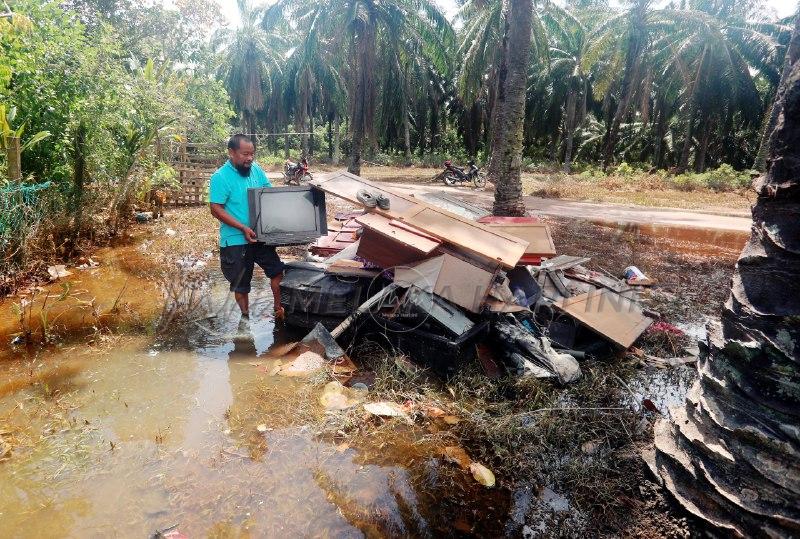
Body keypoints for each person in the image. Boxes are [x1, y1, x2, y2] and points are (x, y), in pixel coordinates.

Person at [209, 134, 285, 321]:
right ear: (231, 153)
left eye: (252, 154)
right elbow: (215, 209)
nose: (249, 158)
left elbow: (268, 194)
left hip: (260, 236)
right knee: (241, 286)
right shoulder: (220, 177)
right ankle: (245, 318)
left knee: (277, 272)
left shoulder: (256, 170)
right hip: (235, 240)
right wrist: (242, 228)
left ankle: (279, 309)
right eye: (245, 154)